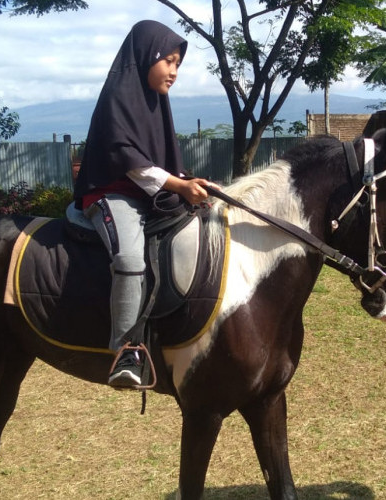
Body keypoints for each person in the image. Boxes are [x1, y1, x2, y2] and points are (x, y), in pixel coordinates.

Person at [73, 20, 217, 389]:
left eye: (178, 65)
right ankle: (125, 350)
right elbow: (129, 159)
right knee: (129, 259)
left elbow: (162, 159)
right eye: (168, 61)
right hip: (112, 194)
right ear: (146, 57)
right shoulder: (118, 99)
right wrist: (178, 186)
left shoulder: (156, 104)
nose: (173, 72)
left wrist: (189, 182)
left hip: (147, 195)